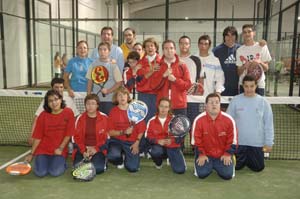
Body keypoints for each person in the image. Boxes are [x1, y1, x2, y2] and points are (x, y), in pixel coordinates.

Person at [227, 75, 274, 172]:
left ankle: (250, 159)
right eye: (246, 86)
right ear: (242, 86)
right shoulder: (235, 100)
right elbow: (228, 122)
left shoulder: (264, 102)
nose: (249, 89)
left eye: (252, 86)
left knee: (258, 168)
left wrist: (269, 143)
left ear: (256, 86)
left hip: (256, 144)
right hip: (239, 144)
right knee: (236, 167)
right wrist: (227, 142)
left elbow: (269, 124)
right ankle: (243, 159)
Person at [25, 90, 75, 177]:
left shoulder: (68, 112)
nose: (54, 103)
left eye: (56, 99)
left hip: (59, 150)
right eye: (50, 101)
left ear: (61, 99)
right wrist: (31, 154)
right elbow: (38, 136)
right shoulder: (43, 115)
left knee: (54, 172)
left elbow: (69, 134)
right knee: (40, 173)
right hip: (43, 150)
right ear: (47, 103)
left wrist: (60, 148)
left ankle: (62, 163)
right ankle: (41, 161)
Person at [191, 93, 237, 180]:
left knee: (227, 175)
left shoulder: (229, 120)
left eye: (216, 102)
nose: (214, 104)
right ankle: (206, 164)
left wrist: (227, 154)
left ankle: (230, 158)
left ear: (220, 104)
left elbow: (233, 141)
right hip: (205, 154)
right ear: (206, 105)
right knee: (201, 174)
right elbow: (196, 142)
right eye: (211, 102)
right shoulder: (198, 120)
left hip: (223, 154)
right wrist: (201, 154)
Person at [28, 78, 79, 145]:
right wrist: (32, 135)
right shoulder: (47, 100)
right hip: (52, 130)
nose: (59, 89)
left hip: (65, 130)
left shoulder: (69, 100)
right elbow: (37, 117)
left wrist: (73, 134)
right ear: (52, 88)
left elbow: (76, 118)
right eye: (56, 87)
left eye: (61, 87)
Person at [107, 87, 146, 172]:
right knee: (112, 156)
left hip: (131, 142)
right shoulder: (113, 111)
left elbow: (141, 129)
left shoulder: (135, 110)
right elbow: (110, 133)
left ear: (128, 96)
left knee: (133, 168)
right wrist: (123, 132)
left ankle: (128, 156)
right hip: (116, 141)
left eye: (124, 94)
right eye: (119, 95)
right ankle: (120, 160)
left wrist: (137, 142)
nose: (122, 97)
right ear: (116, 98)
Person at [145, 97, 186, 174]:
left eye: (166, 107)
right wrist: (158, 141)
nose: (163, 109)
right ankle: (158, 163)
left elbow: (181, 136)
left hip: (173, 147)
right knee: (156, 151)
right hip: (159, 147)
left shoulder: (176, 120)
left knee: (180, 170)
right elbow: (147, 137)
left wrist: (172, 140)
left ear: (169, 108)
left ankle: (172, 158)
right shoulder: (151, 121)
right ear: (158, 107)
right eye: (161, 106)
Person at [151, 39, 192, 116]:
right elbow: (153, 86)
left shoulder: (182, 65)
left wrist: (175, 80)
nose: (169, 51)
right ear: (162, 50)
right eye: (166, 48)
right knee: (162, 127)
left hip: (179, 106)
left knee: (180, 128)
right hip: (162, 106)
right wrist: (163, 76)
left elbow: (188, 85)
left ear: (175, 50)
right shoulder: (157, 66)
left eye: (171, 48)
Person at [72, 94, 108, 174]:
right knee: (76, 169)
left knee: (98, 169)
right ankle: (86, 164)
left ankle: (100, 162)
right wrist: (84, 150)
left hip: (98, 149)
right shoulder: (79, 118)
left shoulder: (105, 118)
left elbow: (107, 138)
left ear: (97, 105)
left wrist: (96, 149)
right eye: (88, 103)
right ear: (85, 105)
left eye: (93, 103)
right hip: (83, 150)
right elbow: (74, 138)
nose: (90, 106)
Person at [86, 42, 123, 115]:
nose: (102, 52)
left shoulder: (113, 66)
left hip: (110, 100)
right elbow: (90, 81)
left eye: (105, 49)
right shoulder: (93, 65)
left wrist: (108, 91)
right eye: (100, 49)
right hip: (96, 100)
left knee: (108, 122)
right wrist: (88, 96)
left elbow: (119, 82)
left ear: (109, 51)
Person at [236, 24, 272, 96]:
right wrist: (244, 66)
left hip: (259, 85)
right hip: (244, 85)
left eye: (249, 31)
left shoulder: (262, 46)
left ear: (254, 33)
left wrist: (260, 62)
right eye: (245, 32)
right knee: (244, 107)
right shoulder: (239, 50)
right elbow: (238, 73)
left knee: (259, 107)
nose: (247, 34)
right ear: (242, 34)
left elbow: (266, 68)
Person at [135, 37, 161, 123]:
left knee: (155, 119)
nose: (149, 48)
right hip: (143, 95)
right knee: (143, 120)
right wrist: (151, 71)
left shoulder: (161, 62)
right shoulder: (140, 63)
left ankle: (154, 137)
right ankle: (143, 137)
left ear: (156, 48)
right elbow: (139, 82)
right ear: (144, 49)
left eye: (152, 46)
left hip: (157, 95)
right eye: (147, 46)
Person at [178, 35, 202, 123]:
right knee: (180, 124)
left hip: (193, 98)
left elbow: (198, 79)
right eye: (182, 43)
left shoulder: (196, 60)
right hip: (179, 98)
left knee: (193, 123)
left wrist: (196, 92)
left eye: (186, 44)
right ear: (179, 45)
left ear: (189, 45)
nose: (184, 46)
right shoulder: (175, 59)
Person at [213, 26, 240, 97]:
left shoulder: (241, 49)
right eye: (227, 35)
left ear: (236, 37)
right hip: (221, 88)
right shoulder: (216, 51)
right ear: (224, 37)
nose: (230, 38)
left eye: (232, 35)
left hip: (238, 88)